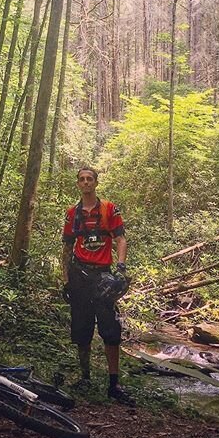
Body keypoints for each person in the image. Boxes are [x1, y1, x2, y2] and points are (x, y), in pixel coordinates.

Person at [61, 166, 133, 405]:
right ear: (78, 184)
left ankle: (114, 384)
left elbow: (120, 239)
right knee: (81, 329)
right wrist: (66, 280)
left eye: (89, 179)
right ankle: (85, 377)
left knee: (110, 331)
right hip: (79, 276)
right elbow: (66, 248)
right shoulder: (72, 213)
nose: (85, 183)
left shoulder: (109, 209)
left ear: (96, 183)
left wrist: (120, 267)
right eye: (81, 179)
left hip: (103, 277)